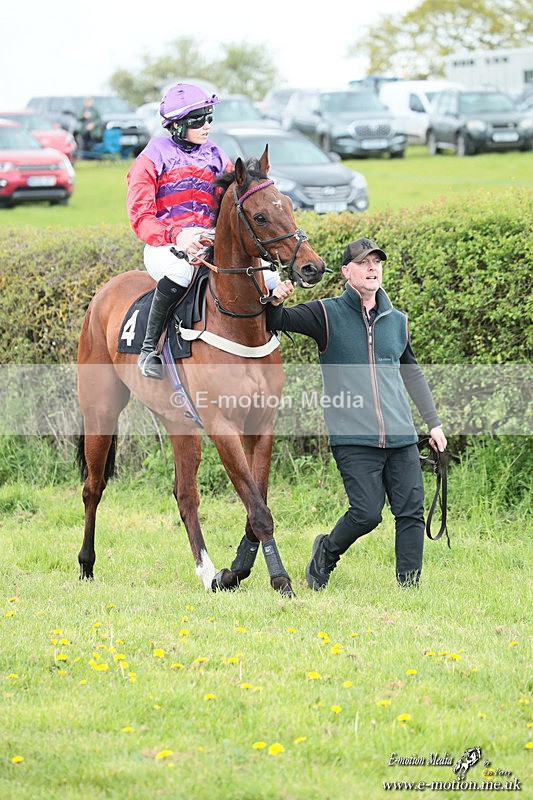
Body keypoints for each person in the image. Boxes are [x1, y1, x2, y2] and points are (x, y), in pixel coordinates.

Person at [268, 237, 447, 590]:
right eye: (364, 263)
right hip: (353, 437)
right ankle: (326, 551)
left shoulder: (397, 321)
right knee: (366, 514)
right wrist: (276, 299)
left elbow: (412, 373)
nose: (372, 268)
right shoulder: (325, 314)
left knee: (410, 511)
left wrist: (434, 423)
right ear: (347, 271)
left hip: (401, 435)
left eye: (377, 263)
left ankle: (409, 586)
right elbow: (277, 320)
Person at [127, 82, 281, 379]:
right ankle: (149, 350)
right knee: (182, 274)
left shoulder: (215, 154)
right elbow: (141, 217)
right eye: (198, 120)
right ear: (176, 125)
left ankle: (264, 344)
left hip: (211, 239)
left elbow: (232, 202)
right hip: (166, 242)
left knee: (270, 277)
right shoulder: (151, 157)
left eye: (209, 117)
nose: (207, 125)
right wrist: (177, 236)